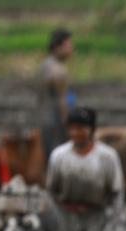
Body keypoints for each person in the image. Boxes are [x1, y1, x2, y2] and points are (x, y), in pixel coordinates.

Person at [45, 107, 126, 231]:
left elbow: (117, 191)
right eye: (72, 128)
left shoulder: (107, 156)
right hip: (65, 214)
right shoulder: (59, 156)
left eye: (81, 128)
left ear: (91, 130)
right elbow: (50, 191)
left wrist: (116, 220)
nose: (76, 133)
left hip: (95, 215)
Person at [38, 28, 73, 163]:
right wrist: (70, 126)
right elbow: (62, 102)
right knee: (60, 160)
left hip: (43, 120)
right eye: (69, 45)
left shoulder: (44, 66)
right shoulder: (59, 70)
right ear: (58, 46)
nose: (71, 49)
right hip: (56, 123)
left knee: (49, 161)